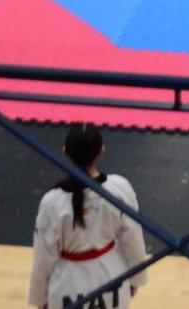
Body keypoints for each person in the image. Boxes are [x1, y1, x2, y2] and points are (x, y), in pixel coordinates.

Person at [29, 124, 149, 309]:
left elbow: (44, 256)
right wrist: (135, 280)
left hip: (68, 285)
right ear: (101, 150)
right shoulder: (120, 188)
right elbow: (133, 240)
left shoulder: (52, 201)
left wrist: (40, 298)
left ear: (64, 151)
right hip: (112, 277)